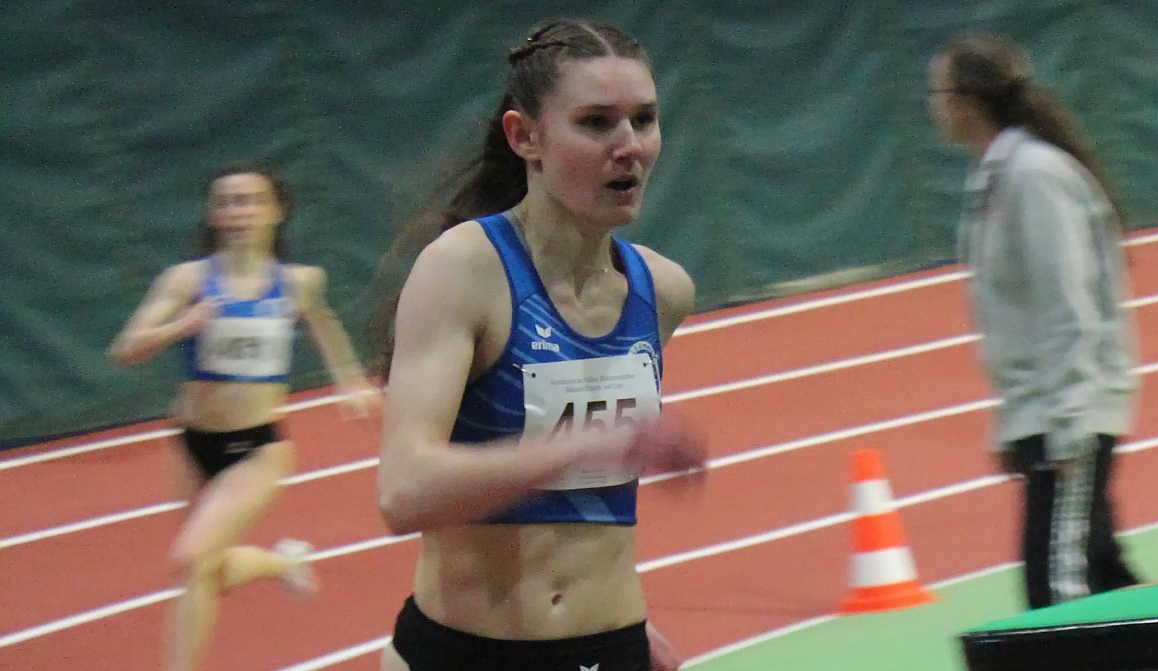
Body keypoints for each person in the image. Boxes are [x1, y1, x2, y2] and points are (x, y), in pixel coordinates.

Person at [370, 18, 708, 671]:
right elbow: (403, 491)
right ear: (525, 137)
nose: (629, 145)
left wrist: (612, 619)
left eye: (644, 119)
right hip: (468, 652)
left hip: (609, 646)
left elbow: (589, 499)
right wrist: (579, 445)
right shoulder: (465, 271)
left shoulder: (663, 290)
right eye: (596, 122)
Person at [108, 160, 379, 670]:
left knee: (190, 560)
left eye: (250, 200)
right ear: (213, 215)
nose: (238, 212)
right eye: (227, 202)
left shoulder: (299, 281)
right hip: (191, 441)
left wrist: (350, 380)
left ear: (274, 211)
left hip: (257, 447)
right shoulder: (186, 280)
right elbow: (125, 349)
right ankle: (282, 560)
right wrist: (180, 326)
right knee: (206, 571)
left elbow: (325, 326)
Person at [927, 32, 1141, 609]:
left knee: (1059, 603)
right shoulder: (997, 176)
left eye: (940, 91)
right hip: (1042, 418)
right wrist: (1015, 422)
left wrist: (1068, 425)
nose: (933, 104)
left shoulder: (1035, 176)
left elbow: (1067, 305)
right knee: (1104, 579)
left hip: (1068, 419)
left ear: (969, 100)